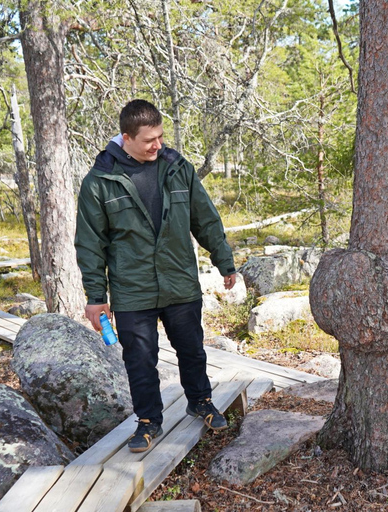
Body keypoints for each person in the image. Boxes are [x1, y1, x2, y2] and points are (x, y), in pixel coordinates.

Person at [75, 99, 238, 453]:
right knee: (139, 360)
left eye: (160, 136)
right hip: (132, 289)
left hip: (179, 281)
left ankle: (200, 401)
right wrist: (95, 297)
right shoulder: (99, 182)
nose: (157, 145)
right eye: (149, 140)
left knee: (192, 350)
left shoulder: (178, 168)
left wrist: (224, 260)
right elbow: (90, 244)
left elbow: (205, 218)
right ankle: (149, 421)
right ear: (126, 137)